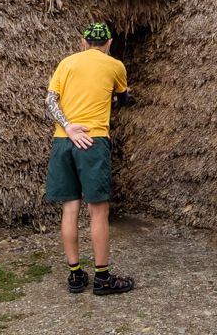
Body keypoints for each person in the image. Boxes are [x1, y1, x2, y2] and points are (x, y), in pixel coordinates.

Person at [44, 22, 136, 295]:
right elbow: (122, 97)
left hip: (63, 141)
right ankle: (103, 278)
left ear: (83, 42)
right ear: (109, 44)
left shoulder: (66, 63)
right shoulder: (115, 66)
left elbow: (50, 100)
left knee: (70, 208)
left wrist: (69, 126)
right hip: (93, 141)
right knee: (98, 211)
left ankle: (75, 275)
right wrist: (127, 97)